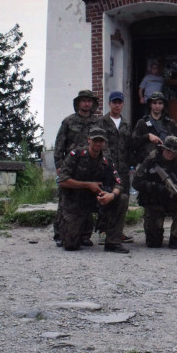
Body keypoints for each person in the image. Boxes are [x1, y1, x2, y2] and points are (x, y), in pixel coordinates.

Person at [57, 129, 129, 253]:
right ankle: (81, 229)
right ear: (89, 140)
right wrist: (88, 185)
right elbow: (62, 180)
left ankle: (113, 242)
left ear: (104, 143)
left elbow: (118, 182)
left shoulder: (107, 160)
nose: (98, 144)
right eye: (95, 140)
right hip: (75, 200)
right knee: (71, 245)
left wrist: (111, 195)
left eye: (101, 141)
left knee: (122, 198)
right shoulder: (76, 155)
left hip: (97, 200)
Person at [53, 89, 100, 247]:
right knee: (65, 201)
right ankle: (60, 233)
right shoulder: (68, 122)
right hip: (71, 167)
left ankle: (85, 234)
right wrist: (59, 166)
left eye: (89, 101)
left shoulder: (97, 123)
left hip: (90, 166)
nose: (86, 103)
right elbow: (59, 145)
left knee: (87, 200)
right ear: (78, 103)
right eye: (83, 100)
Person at [132, 135, 177, 249]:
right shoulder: (151, 159)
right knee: (154, 243)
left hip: (171, 199)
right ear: (162, 149)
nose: (170, 154)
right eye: (168, 150)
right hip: (154, 200)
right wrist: (155, 186)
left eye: (174, 152)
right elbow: (136, 183)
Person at [93, 90, 134, 243]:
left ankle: (117, 231)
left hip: (123, 168)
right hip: (106, 169)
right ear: (109, 103)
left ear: (123, 104)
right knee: (106, 198)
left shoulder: (126, 124)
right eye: (114, 102)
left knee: (123, 199)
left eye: (119, 102)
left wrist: (132, 165)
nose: (117, 105)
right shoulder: (101, 122)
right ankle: (104, 231)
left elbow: (129, 146)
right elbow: (100, 145)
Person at [132, 91, 177, 164]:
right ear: (150, 104)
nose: (157, 106)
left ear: (163, 105)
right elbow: (133, 143)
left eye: (160, 103)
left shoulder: (170, 123)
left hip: (166, 164)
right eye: (154, 103)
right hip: (146, 163)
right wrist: (148, 136)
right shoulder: (142, 122)